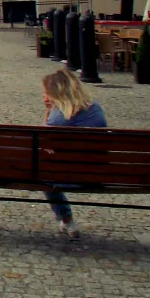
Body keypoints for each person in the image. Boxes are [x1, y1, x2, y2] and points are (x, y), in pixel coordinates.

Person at [41, 67, 107, 238]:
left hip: (67, 178)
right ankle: (68, 221)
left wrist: (49, 111)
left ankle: (67, 218)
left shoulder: (57, 119)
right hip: (97, 175)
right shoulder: (96, 109)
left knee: (43, 172)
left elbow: (43, 144)